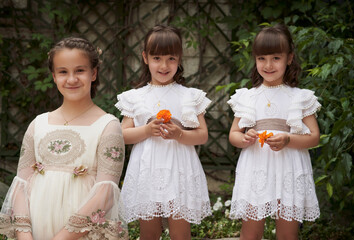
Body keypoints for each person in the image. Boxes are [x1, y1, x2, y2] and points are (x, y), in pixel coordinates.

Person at [0, 37, 128, 240]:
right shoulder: (38, 124)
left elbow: (105, 193)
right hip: (36, 232)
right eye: (63, 72)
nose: (71, 79)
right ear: (53, 76)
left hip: (79, 235)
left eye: (80, 70)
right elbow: (21, 185)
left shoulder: (108, 126)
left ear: (93, 73)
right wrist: (25, 236)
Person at [115, 24, 212, 240]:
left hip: (179, 171)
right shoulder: (136, 97)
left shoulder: (189, 96)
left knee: (180, 232)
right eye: (157, 58)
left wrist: (180, 134)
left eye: (171, 58)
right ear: (145, 58)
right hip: (147, 171)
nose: (164, 65)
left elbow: (202, 135)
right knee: (149, 233)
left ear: (179, 59)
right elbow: (122, 135)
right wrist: (147, 130)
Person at [227, 24, 321, 240]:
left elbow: (314, 137)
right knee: (250, 232)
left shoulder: (300, 98)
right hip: (256, 168)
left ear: (289, 58)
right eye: (262, 58)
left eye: (276, 58)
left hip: (288, 168)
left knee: (287, 233)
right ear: (255, 59)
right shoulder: (247, 97)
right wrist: (244, 137)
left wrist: (288, 138)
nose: (268, 65)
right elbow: (233, 134)